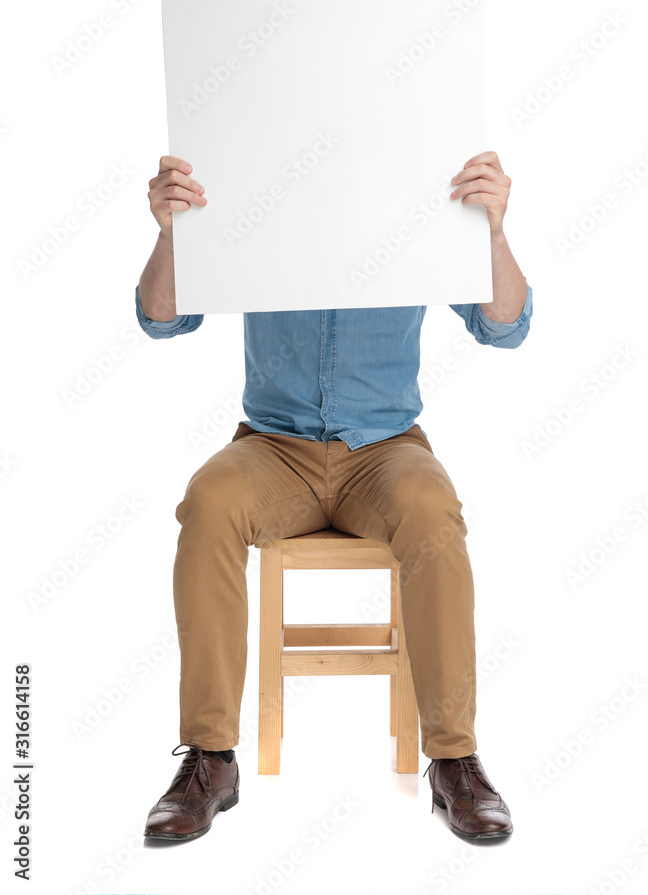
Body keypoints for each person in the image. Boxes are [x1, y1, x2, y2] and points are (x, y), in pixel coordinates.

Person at [137, 150, 533, 843]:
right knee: (209, 501)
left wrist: (493, 231)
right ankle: (208, 757)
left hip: (385, 448)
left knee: (432, 509)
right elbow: (162, 319)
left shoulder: (416, 185)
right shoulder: (255, 178)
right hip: (271, 447)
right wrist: (171, 230)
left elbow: (503, 326)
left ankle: (453, 759)